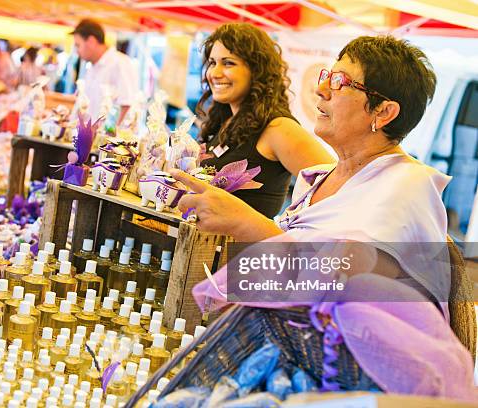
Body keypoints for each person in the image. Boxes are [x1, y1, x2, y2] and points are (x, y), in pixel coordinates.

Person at [174, 35, 478, 400]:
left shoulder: (406, 186)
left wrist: (247, 224)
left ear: (383, 112)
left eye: (340, 82)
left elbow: (348, 288)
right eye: (326, 76)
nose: (321, 90)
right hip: (282, 368)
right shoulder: (323, 178)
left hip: (339, 386)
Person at [196, 23, 333, 217]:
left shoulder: (278, 128)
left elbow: (337, 191)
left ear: (257, 69)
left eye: (228, 63)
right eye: (212, 62)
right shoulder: (226, 121)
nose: (214, 73)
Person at [72, 19, 139, 123]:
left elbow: (126, 104)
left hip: (106, 137)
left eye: (78, 45)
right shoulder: (92, 67)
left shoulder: (120, 63)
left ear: (91, 41)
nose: (77, 51)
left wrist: (108, 135)